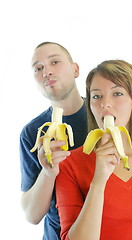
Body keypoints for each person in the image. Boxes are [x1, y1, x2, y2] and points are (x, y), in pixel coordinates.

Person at [56, 60, 132, 240]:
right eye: (97, 96)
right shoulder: (69, 165)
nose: (105, 104)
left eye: (117, 93)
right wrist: (99, 180)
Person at [20, 42, 88, 240]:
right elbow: (31, 215)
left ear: (75, 69)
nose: (46, 71)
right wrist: (48, 172)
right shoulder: (32, 133)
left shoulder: (103, 117)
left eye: (55, 62)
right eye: (38, 68)